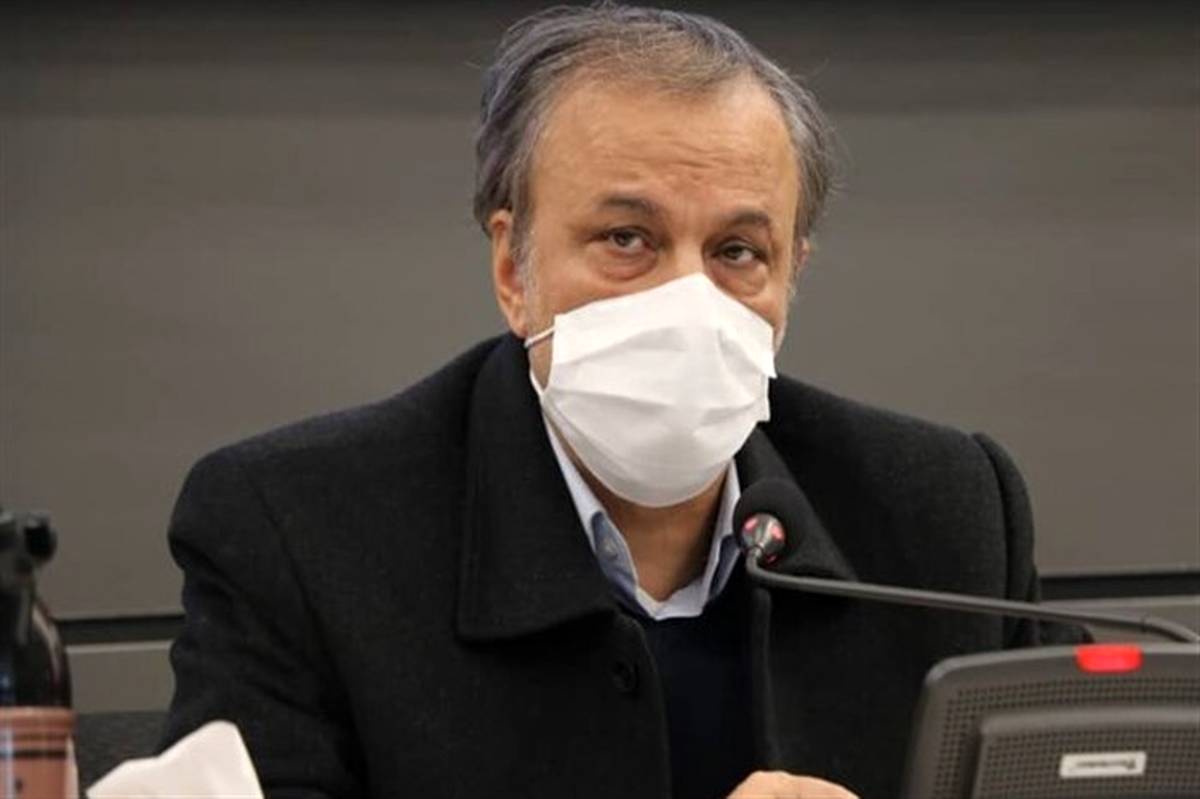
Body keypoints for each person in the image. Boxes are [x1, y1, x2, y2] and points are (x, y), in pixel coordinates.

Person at [161, 5, 1083, 798]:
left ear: (791, 278)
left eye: (736, 252)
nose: (687, 300)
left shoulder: (947, 517)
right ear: (512, 268)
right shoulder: (298, 533)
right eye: (627, 238)